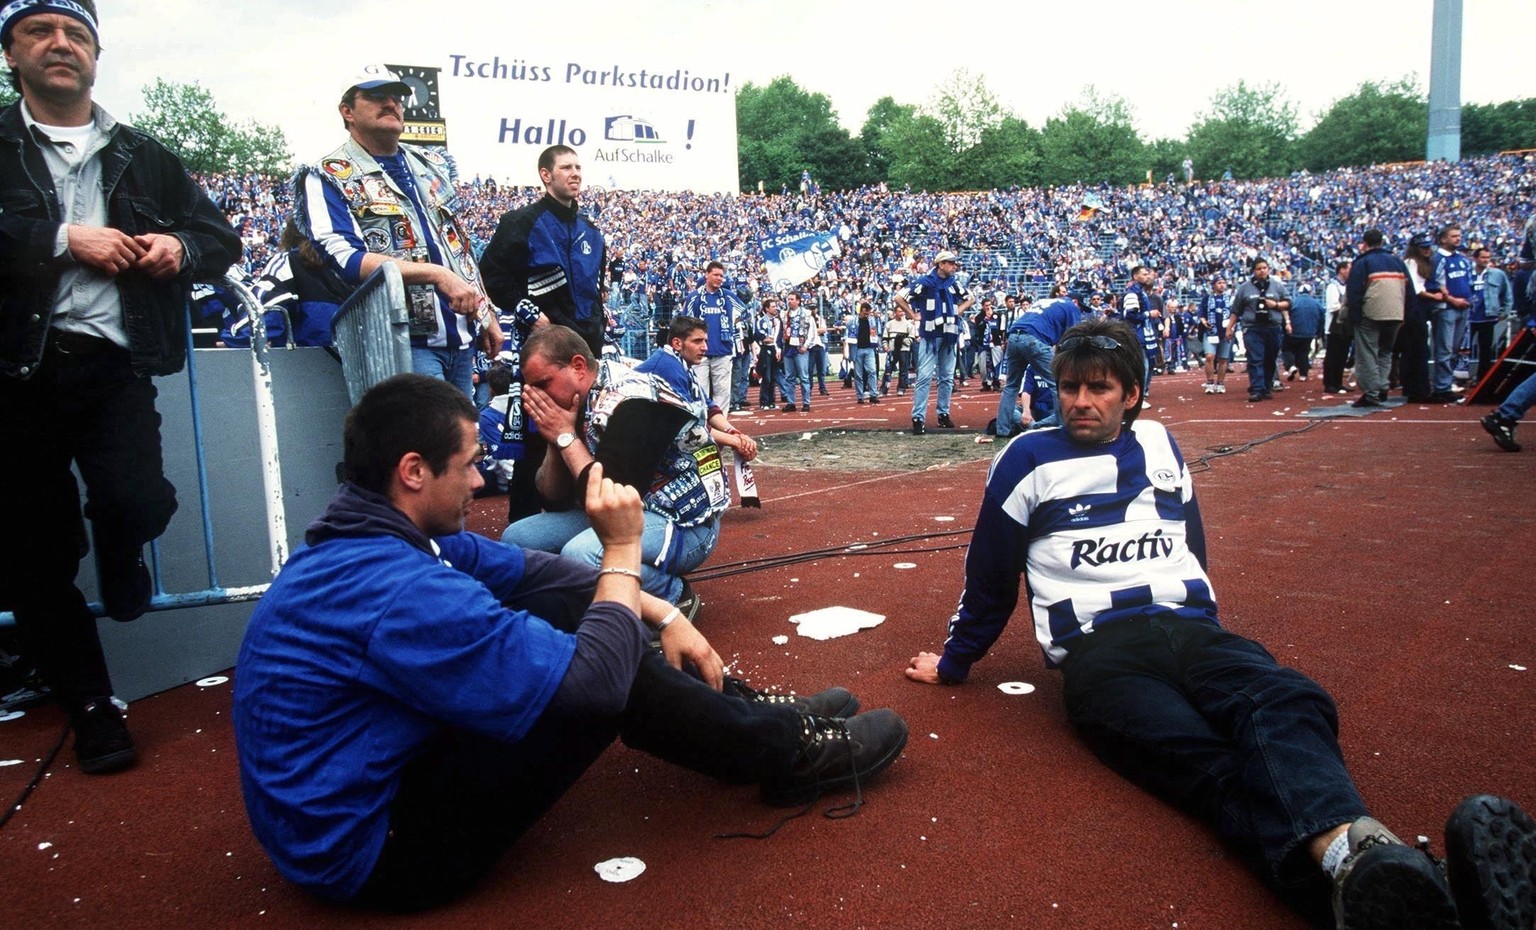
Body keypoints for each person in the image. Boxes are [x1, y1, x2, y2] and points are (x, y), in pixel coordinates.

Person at [905, 317, 1536, 930]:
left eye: (1099, 388)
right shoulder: (1025, 458)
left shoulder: (1157, 442)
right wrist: (956, 662)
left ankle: (1369, 879)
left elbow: (1190, 543)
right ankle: (1385, 867)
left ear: (1131, 393)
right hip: (1103, 655)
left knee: (1291, 699)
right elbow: (989, 578)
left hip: (1192, 631)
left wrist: (1204, 620)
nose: (1079, 401)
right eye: (1069, 387)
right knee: (1206, 764)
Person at [233, 373, 907, 910]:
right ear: (413, 470)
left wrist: (666, 615)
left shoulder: (373, 534)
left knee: (568, 604)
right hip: (383, 855)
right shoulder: (395, 588)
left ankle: (752, 723)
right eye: (468, 467)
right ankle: (780, 751)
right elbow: (594, 687)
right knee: (593, 662)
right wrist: (620, 549)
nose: (478, 482)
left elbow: (538, 571)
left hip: (352, 807)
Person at [0, 0, 242, 774]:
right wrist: (61, 239)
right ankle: (94, 705)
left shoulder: (142, 153)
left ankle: (121, 541)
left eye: (75, 33)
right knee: (38, 553)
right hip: (15, 373)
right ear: (11, 54)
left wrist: (178, 244)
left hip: (113, 364)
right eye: (39, 32)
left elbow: (219, 236)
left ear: (97, 56)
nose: (60, 45)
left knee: (140, 498)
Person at [502, 322, 756, 609]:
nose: (537, 396)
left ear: (578, 366)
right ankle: (579, 601)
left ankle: (673, 593)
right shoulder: (573, 402)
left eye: (543, 384)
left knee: (582, 555)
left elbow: (610, 495)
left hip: (686, 524)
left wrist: (565, 435)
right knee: (517, 540)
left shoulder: (632, 398)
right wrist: (554, 437)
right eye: (531, 387)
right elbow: (553, 498)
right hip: (632, 510)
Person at [293, 65, 502, 398]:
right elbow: (345, 258)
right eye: (376, 96)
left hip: (459, 337)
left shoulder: (432, 163)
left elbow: (458, 247)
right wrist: (435, 275)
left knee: (461, 445)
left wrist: (484, 310)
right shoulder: (326, 175)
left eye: (397, 96)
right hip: (398, 339)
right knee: (427, 439)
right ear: (347, 111)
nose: (391, 103)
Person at [479, 144, 607, 357]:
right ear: (546, 175)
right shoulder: (520, 223)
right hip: (543, 347)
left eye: (578, 167)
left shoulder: (592, 232)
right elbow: (491, 278)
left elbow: (596, 292)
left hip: (589, 349)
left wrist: (598, 329)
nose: (575, 174)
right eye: (566, 168)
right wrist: (532, 315)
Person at [896, 250, 972, 434]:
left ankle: (943, 413)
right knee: (924, 377)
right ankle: (918, 417)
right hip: (931, 335)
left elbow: (970, 298)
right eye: (951, 263)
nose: (954, 266)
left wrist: (958, 311)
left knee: (946, 378)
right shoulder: (925, 282)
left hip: (950, 333)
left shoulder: (953, 283)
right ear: (941, 264)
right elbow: (899, 297)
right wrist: (912, 315)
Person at [996, 290, 1084, 436]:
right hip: (1034, 339)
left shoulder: (1044, 301)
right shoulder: (1071, 306)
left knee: (1011, 386)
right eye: (1081, 308)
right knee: (1057, 383)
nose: (1080, 311)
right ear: (1076, 302)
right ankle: (1064, 428)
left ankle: (1002, 430)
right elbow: (1074, 337)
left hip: (1014, 336)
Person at [1346, 229, 1415, 409]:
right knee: (1385, 351)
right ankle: (1382, 386)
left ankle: (1371, 392)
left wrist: (1354, 316)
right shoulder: (1397, 262)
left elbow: (1354, 292)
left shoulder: (1363, 262)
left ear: (1364, 243)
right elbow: (1410, 291)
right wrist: (1405, 314)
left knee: (1367, 352)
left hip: (1371, 313)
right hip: (1395, 313)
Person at [1229, 258, 1292, 403]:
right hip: (1252, 328)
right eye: (1258, 268)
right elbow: (1236, 310)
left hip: (1272, 327)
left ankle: (1266, 387)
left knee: (1270, 359)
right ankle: (1256, 389)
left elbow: (1288, 303)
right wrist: (1229, 328)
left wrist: (1275, 305)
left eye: (1264, 268)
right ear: (1253, 271)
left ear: (1268, 269)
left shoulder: (1277, 286)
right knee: (1255, 358)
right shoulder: (1245, 288)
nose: (1262, 270)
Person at [683, 260, 740, 411]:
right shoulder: (694, 297)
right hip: (700, 353)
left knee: (722, 393)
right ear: (707, 275)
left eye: (721, 276)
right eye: (716, 275)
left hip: (723, 351)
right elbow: (685, 321)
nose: (719, 278)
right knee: (700, 392)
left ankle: (721, 427)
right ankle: (703, 426)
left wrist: (730, 323)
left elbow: (744, 311)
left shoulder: (728, 296)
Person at [1428, 225, 1474, 404]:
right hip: (1446, 308)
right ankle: (1442, 387)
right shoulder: (1437, 259)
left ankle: (1446, 384)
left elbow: (1468, 281)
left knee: (1454, 349)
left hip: (1463, 307)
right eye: (1454, 236)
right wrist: (1452, 299)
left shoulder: (1462, 259)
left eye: (1459, 235)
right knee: (1444, 349)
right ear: (1443, 239)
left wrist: (1468, 299)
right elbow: (1433, 283)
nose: (1458, 238)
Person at [1469, 247, 1514, 384]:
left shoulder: (1497, 274)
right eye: (1483, 257)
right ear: (1475, 258)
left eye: (1488, 257)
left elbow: (1507, 294)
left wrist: (1504, 312)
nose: (1486, 260)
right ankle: (1461, 377)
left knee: (1485, 350)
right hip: (1468, 318)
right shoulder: (1466, 273)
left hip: (1487, 317)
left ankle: (1482, 379)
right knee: (1463, 349)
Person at [1322, 262, 1354, 395]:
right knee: (1333, 355)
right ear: (1342, 270)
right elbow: (1332, 306)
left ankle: (1338, 382)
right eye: (1349, 269)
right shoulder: (1333, 286)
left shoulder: (1346, 286)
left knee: (1342, 355)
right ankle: (1330, 383)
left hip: (1345, 326)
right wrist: (1346, 307)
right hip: (1334, 326)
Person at [780, 291, 815, 412]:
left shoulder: (806, 314)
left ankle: (806, 402)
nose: (789, 301)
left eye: (792, 299)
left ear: (798, 300)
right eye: (788, 299)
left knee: (803, 377)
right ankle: (791, 402)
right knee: (789, 377)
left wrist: (806, 345)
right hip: (788, 347)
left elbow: (812, 331)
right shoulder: (785, 314)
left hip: (800, 347)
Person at [1284, 283, 1325, 381]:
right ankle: (1303, 374)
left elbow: (1286, 316)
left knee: (1287, 349)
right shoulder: (1317, 304)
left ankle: (1291, 366)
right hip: (1309, 333)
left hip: (1293, 332)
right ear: (1310, 292)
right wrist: (1319, 334)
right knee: (1303, 352)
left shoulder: (1294, 302)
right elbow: (1322, 320)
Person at [1200, 277, 1235, 394]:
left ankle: (1220, 383)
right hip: (1210, 332)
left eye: (1224, 282)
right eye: (1219, 283)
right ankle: (1210, 382)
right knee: (1209, 356)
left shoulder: (1230, 299)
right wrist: (1205, 322)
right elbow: (1201, 314)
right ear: (1214, 285)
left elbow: (1235, 315)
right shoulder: (1206, 299)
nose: (1222, 285)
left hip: (1225, 332)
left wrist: (1231, 327)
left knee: (1223, 359)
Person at [848, 299, 883, 404]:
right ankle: (860, 395)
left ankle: (873, 394)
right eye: (865, 313)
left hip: (869, 349)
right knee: (858, 374)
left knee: (872, 371)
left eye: (868, 313)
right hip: (857, 349)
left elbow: (877, 333)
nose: (867, 315)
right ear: (860, 311)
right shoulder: (852, 321)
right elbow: (847, 336)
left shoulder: (872, 320)